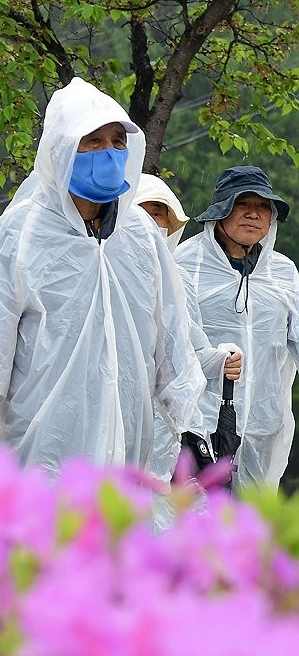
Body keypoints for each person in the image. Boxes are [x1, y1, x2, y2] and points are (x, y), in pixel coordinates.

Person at [0, 78, 208, 473]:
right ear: (62, 149)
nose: (108, 153)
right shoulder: (24, 232)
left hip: (128, 441)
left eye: (118, 142)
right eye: (93, 142)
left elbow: (170, 336)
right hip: (43, 444)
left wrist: (192, 429)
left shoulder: (139, 233)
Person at [174, 166, 295, 490]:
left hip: (263, 429)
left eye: (263, 207)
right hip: (198, 426)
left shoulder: (284, 273)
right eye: (243, 204)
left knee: (249, 531)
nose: (253, 214)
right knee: (194, 523)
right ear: (221, 210)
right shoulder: (185, 264)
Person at [133, 174, 243, 482]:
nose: (152, 221)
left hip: (168, 425)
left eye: (159, 214)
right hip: (119, 414)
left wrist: (223, 359)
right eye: (144, 210)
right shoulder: (105, 269)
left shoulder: (178, 278)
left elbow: (190, 350)